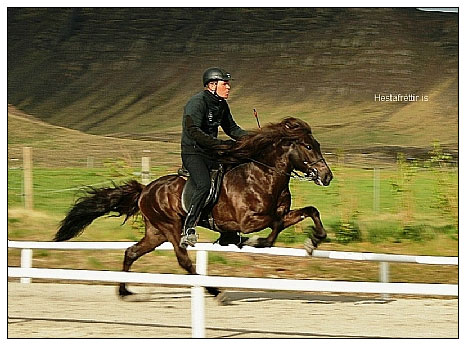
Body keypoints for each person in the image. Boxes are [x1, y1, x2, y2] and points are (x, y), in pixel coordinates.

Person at [180, 67, 248, 248]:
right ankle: (188, 228)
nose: (228, 87)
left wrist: (254, 138)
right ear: (212, 85)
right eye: (225, 84)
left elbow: (232, 129)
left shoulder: (222, 105)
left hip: (211, 152)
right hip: (193, 153)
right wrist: (220, 144)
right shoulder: (197, 103)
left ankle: (229, 232)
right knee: (204, 184)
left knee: (233, 178)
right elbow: (193, 132)